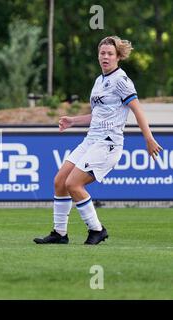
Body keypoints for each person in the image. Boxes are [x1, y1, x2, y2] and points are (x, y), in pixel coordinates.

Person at [34, 36, 163, 245]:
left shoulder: (121, 80)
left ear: (118, 57)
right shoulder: (99, 81)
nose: (105, 57)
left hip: (108, 143)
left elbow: (138, 110)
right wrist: (73, 120)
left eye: (110, 54)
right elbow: (99, 115)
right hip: (91, 140)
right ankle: (59, 234)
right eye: (102, 53)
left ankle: (97, 230)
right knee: (60, 181)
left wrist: (148, 138)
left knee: (73, 184)